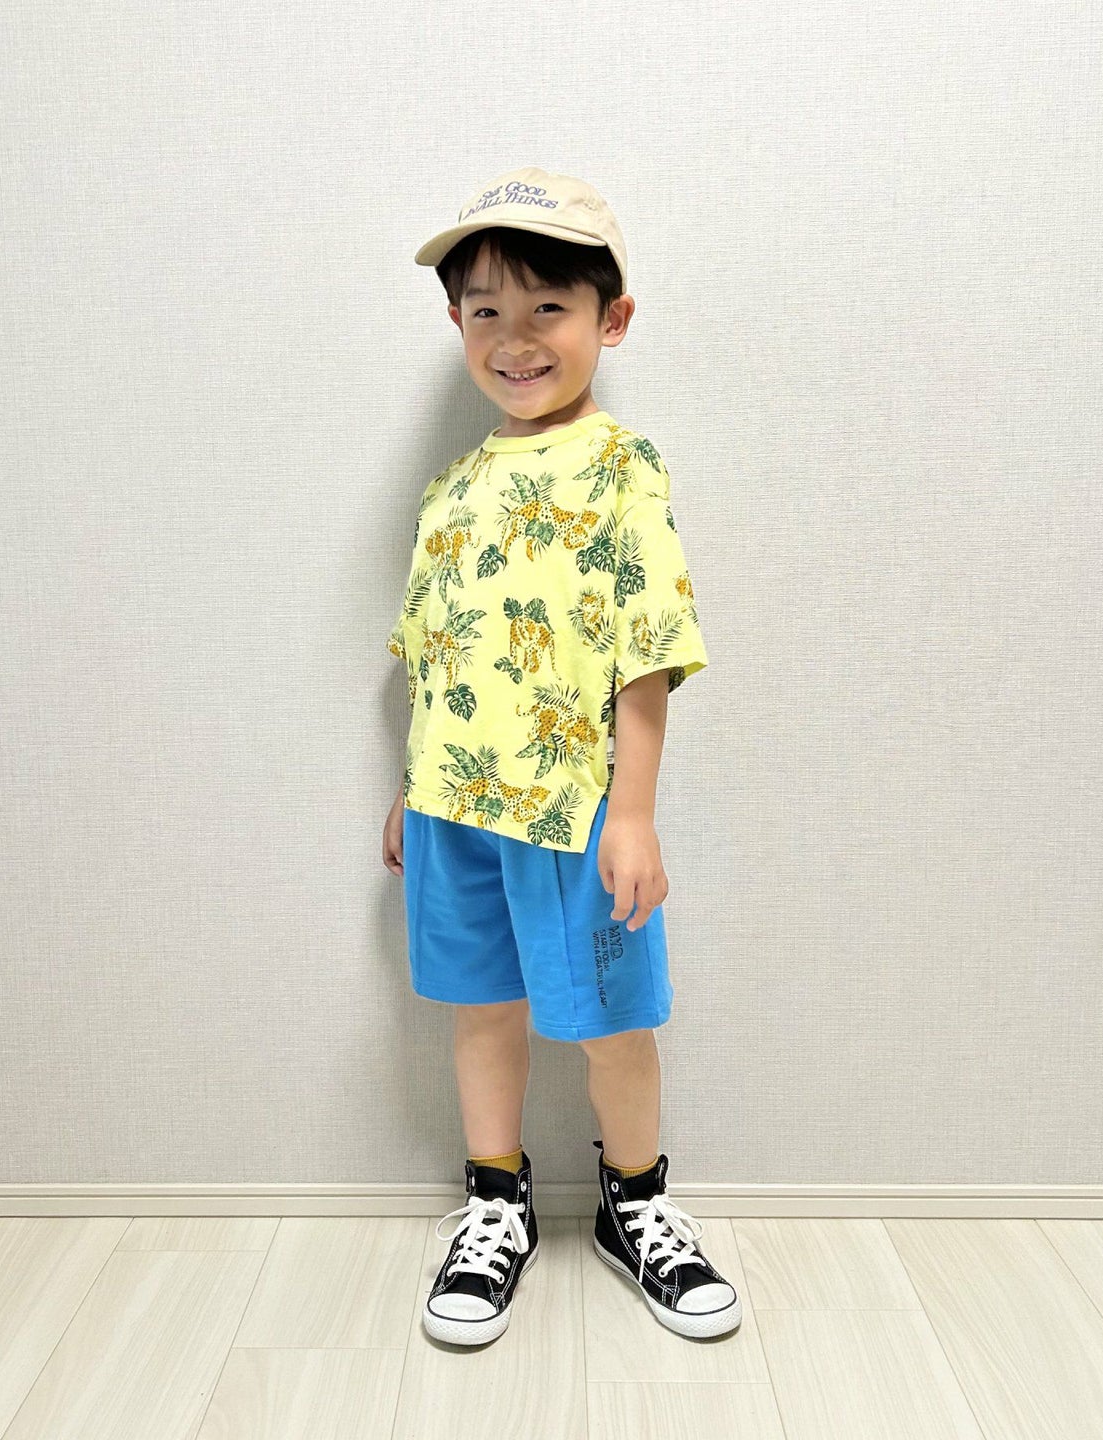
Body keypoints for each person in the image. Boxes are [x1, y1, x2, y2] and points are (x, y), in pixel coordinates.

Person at [382, 166, 741, 1346]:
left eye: (548, 307)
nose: (516, 337)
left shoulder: (623, 467)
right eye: (486, 310)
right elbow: (433, 651)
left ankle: (638, 1203)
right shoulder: (450, 489)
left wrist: (632, 814)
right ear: (456, 323)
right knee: (480, 1010)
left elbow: (647, 652)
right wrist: (408, 789)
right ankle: (497, 1201)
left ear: (610, 319)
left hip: (574, 809)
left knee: (611, 1017)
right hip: (454, 808)